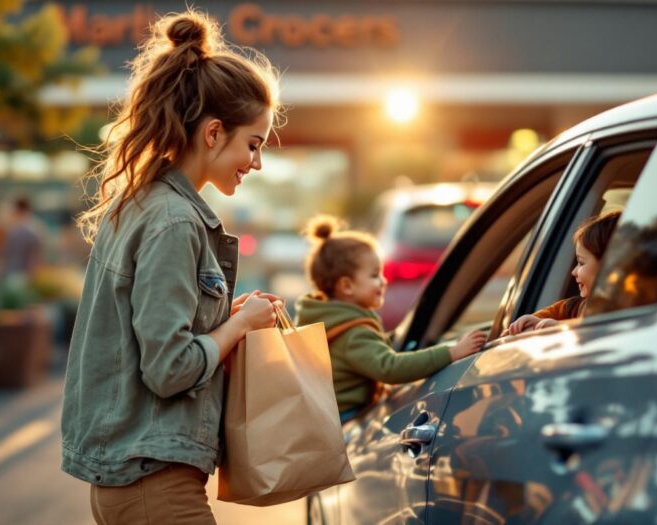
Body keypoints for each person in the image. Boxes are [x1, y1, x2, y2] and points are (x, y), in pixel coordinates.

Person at [60, 10, 283, 524]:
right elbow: (169, 369)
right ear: (212, 132)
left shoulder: (145, 204)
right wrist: (239, 325)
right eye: (253, 144)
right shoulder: (174, 221)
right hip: (153, 484)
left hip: (142, 478)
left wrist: (230, 317)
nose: (257, 163)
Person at [294, 215, 487, 423]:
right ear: (347, 286)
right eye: (375, 275)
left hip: (324, 416)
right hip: (343, 420)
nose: (383, 282)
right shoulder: (354, 334)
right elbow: (390, 367)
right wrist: (451, 353)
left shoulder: (325, 319)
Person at [504, 211, 621, 336]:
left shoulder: (627, 310)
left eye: (581, 263)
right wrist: (527, 323)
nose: (573, 272)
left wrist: (561, 328)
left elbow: (601, 333)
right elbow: (513, 333)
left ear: (608, 268)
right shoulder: (572, 307)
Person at [1, 196, 42, 277]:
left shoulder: (12, 228)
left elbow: (5, 252)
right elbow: (37, 255)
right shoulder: (36, 226)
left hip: (13, 272)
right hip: (29, 273)